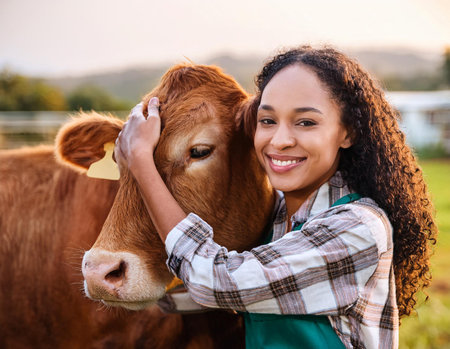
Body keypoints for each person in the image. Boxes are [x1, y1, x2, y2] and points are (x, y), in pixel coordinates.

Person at [114, 46, 437, 348]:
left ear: (348, 132)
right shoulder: (282, 217)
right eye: (267, 120)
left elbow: (217, 283)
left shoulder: (355, 228)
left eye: (306, 122)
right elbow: (227, 292)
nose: (279, 140)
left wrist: (142, 162)